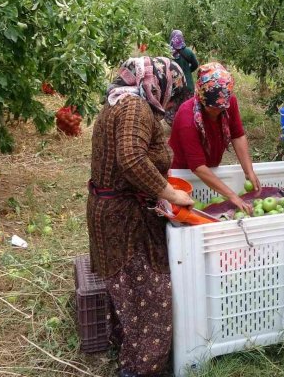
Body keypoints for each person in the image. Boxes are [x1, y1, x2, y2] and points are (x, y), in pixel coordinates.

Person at [87, 56, 194, 377]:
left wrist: (156, 191)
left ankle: (129, 353)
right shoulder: (134, 108)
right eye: (171, 92)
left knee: (133, 293)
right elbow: (131, 159)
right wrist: (170, 193)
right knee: (152, 299)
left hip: (119, 211)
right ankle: (137, 369)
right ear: (155, 83)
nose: (171, 101)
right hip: (122, 219)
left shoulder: (122, 101)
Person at [169, 62, 261, 214]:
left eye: (222, 108)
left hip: (211, 169)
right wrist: (232, 196)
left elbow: (237, 135)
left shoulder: (227, 101)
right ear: (201, 97)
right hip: (186, 175)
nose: (217, 111)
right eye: (212, 107)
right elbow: (197, 166)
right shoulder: (187, 118)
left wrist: (248, 171)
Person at [167, 29, 199, 121]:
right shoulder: (188, 52)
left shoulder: (167, 53)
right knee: (188, 107)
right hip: (187, 85)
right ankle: (187, 123)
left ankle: (175, 124)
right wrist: (188, 71)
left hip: (174, 86)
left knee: (173, 107)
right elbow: (195, 64)